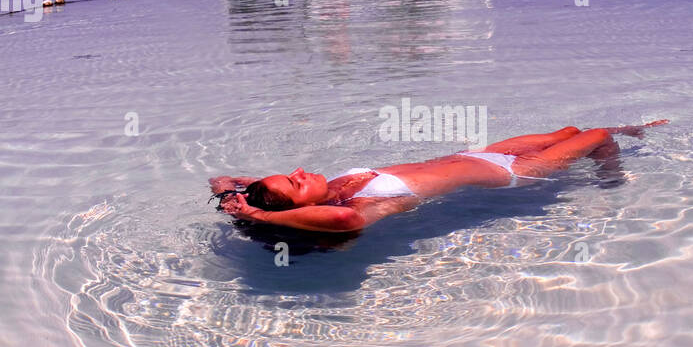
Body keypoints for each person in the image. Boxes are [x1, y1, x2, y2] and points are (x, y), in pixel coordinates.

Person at [210, 120, 668, 235]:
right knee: (598, 134)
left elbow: (247, 186)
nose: (299, 171)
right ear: (303, 206)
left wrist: (238, 185)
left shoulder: (338, 185)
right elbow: (344, 226)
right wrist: (256, 216)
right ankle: (613, 185)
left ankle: (635, 133)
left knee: (570, 130)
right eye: (294, 183)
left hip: (485, 154)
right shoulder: (356, 209)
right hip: (519, 174)